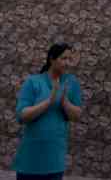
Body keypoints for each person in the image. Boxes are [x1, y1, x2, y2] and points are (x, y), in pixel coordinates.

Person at [13, 43, 82, 180]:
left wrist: (64, 101)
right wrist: (49, 101)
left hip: (55, 158)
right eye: (64, 58)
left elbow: (77, 115)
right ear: (52, 59)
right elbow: (22, 116)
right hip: (30, 159)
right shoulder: (33, 82)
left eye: (70, 59)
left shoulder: (71, 82)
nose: (67, 63)